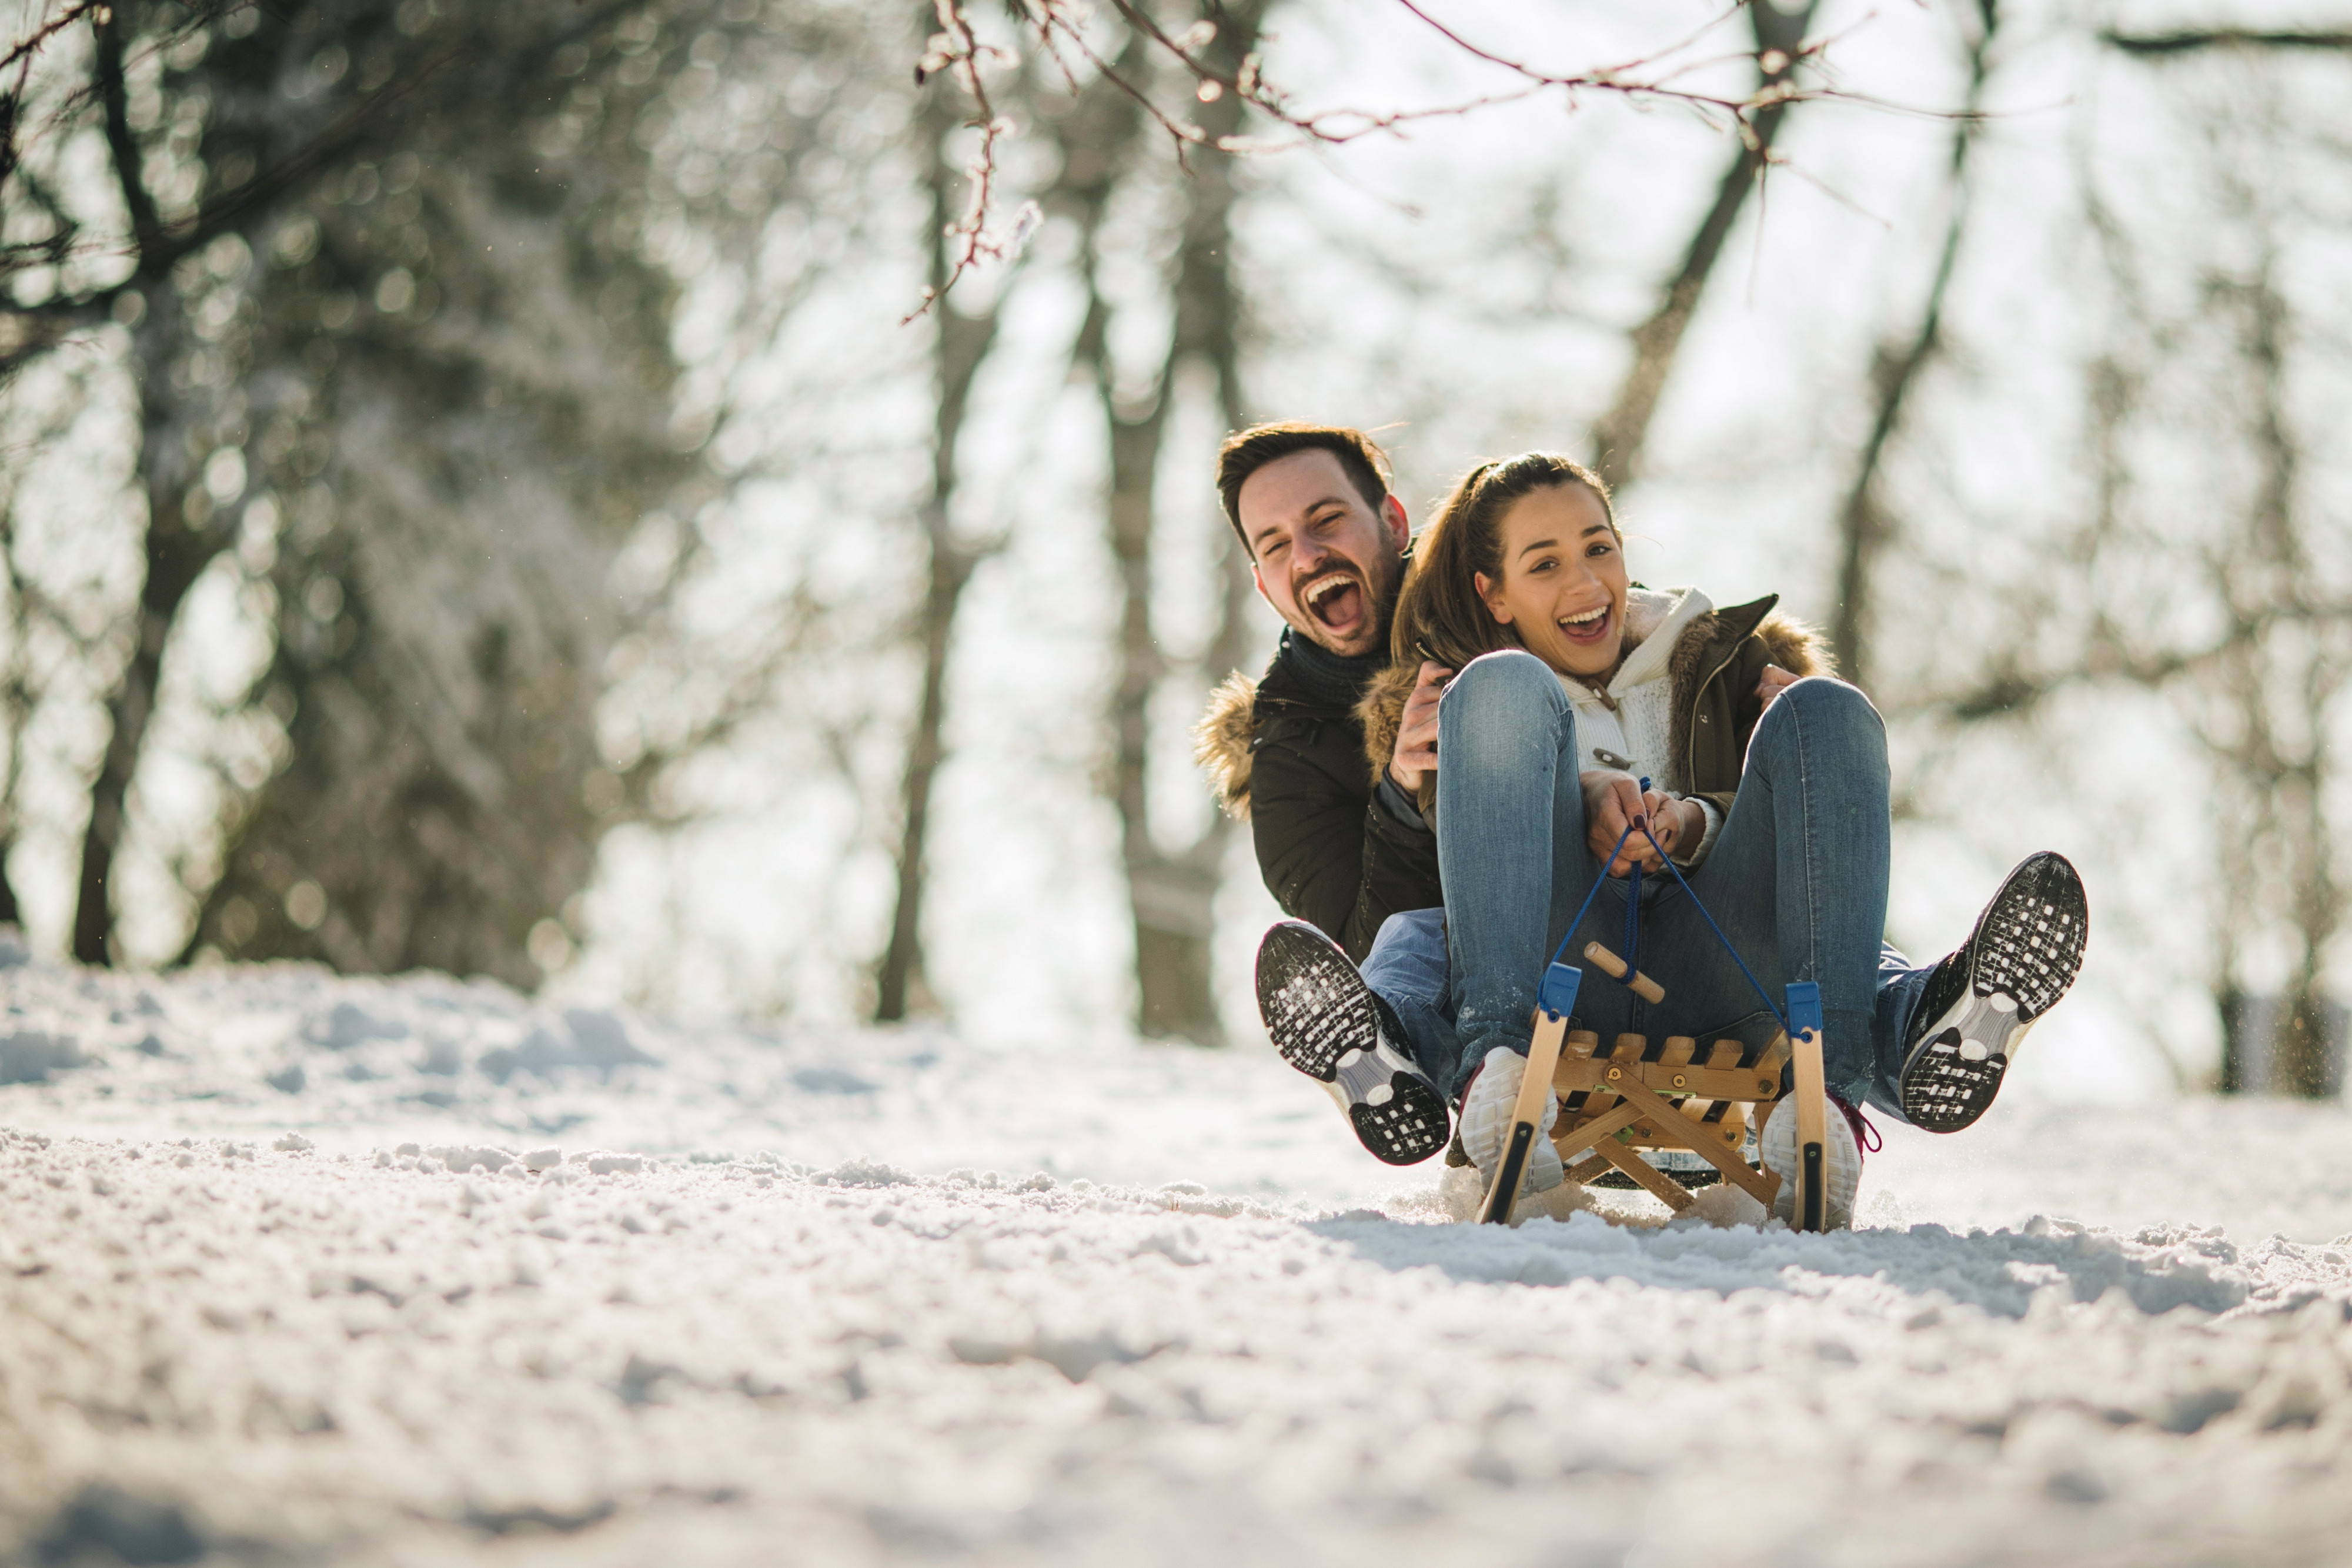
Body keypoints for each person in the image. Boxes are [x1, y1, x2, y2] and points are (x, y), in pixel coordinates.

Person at [1251, 453, 2088, 1228]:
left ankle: (1850, 1086)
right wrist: (1580, 797)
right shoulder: (1458, 708)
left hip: (1723, 974)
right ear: (1493, 593)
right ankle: (1467, 1074)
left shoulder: (1724, 669)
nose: (1583, 581)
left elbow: (1797, 858)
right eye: (1543, 564)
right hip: (1551, 977)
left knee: (1827, 713)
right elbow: (1455, 863)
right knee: (1419, 928)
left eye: (1599, 548)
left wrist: (1696, 821)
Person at [1192, 422, 1455, 1166]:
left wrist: (1749, 677)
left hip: (1628, 892)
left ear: (1393, 522)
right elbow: (1365, 934)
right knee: (1406, 953)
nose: (1306, 557)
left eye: (1326, 519)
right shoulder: (1287, 763)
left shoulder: (1496, 604)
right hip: (1481, 982)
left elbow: (1603, 617)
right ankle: (1388, 1054)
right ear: (1262, 581)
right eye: (1274, 545)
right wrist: (1403, 798)